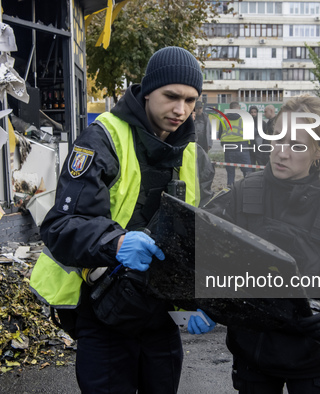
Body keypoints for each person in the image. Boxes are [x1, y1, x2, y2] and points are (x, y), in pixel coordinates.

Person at [30, 46, 212, 393]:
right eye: (171, 96)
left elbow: (198, 235)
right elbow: (60, 227)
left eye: (191, 100)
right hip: (104, 312)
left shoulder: (192, 154)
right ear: (146, 92)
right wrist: (116, 242)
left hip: (160, 315)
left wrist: (204, 302)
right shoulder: (103, 139)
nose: (181, 110)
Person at [202, 96, 320, 393]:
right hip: (252, 358)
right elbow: (202, 246)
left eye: (295, 145)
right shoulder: (243, 192)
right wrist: (201, 298)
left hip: (312, 361)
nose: (281, 153)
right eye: (277, 139)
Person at [218, 101, 252, 186]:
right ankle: (248, 189)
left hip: (228, 147)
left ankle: (230, 191)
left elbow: (220, 134)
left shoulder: (223, 119)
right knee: (247, 172)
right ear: (239, 109)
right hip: (242, 146)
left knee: (230, 173)